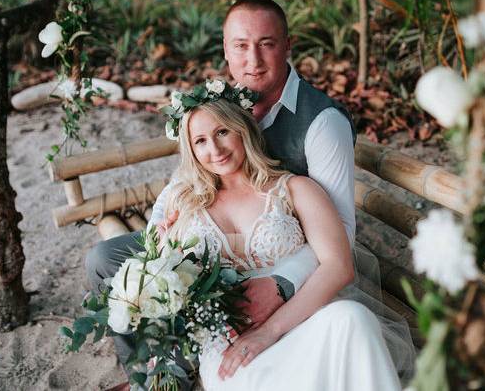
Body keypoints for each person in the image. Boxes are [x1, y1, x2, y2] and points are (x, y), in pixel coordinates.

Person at [85, 0, 411, 388]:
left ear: (287, 45)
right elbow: (184, 178)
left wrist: (280, 285)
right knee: (106, 259)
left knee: (347, 323)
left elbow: (341, 235)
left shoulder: (321, 124)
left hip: (289, 251)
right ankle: (158, 378)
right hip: (215, 246)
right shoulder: (221, 101)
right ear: (226, 50)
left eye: (267, 44)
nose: (252, 60)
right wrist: (162, 235)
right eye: (241, 46)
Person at [157, 88, 402, 390]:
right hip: (231, 343)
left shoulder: (296, 190)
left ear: (243, 129)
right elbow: (169, 285)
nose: (215, 149)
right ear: (191, 150)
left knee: (352, 318)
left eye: (222, 131)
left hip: (303, 317)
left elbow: (339, 267)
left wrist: (270, 329)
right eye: (201, 141)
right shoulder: (183, 203)